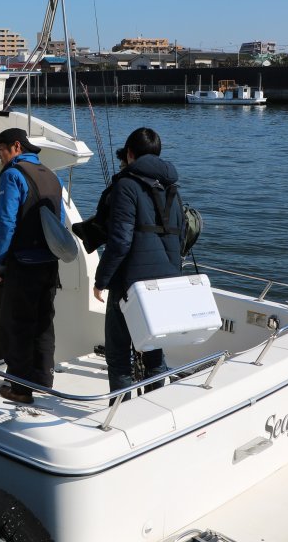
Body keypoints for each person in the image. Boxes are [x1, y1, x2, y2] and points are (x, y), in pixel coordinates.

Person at [92, 127, 184, 398]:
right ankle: (154, 408)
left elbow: (120, 241)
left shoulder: (126, 185)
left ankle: (122, 415)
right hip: (166, 280)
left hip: (129, 284)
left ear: (130, 154)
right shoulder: (172, 189)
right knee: (153, 351)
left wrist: (101, 280)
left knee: (119, 355)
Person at [0, 128, 63, 404]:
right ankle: (43, 380)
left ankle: (19, 389)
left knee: (17, 324)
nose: (0, 158)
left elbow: (6, 223)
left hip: (24, 265)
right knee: (44, 322)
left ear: (15, 147)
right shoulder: (52, 177)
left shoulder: (13, 175)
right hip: (50, 265)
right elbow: (59, 224)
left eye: (1, 152)